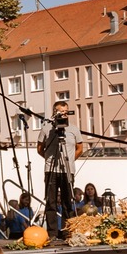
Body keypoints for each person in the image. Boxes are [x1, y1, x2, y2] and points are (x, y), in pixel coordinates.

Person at [38, 99, 79, 231]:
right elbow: (40, 148)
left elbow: (80, 148)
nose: (64, 115)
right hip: (51, 169)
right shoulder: (46, 129)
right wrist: (48, 159)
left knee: (68, 201)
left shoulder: (73, 129)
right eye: (61, 112)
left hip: (67, 169)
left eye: (66, 112)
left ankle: (67, 229)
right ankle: (52, 231)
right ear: (54, 113)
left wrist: (71, 160)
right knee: (51, 201)